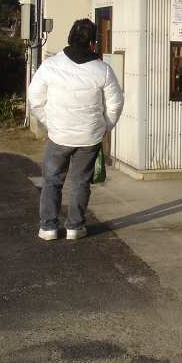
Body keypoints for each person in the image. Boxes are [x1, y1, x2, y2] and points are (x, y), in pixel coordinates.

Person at [28, 18, 124, 241]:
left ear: (70, 37)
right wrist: (105, 126)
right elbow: (116, 103)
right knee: (81, 182)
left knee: (52, 180)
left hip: (58, 134)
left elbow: (35, 98)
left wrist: (50, 122)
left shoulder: (51, 65)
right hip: (89, 137)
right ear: (93, 42)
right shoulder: (103, 70)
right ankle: (75, 226)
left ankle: (48, 227)